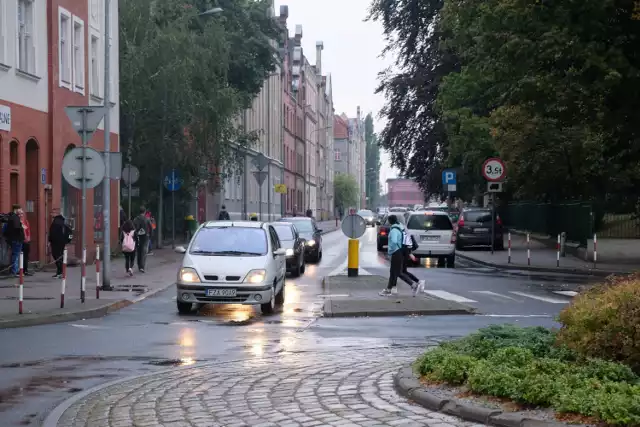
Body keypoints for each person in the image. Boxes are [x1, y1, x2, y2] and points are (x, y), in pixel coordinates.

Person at [379, 215, 421, 297]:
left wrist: (389, 247)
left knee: (398, 272)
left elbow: (394, 241)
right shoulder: (400, 227)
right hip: (400, 252)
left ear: (390, 221)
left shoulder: (394, 230)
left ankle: (413, 285)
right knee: (392, 272)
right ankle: (388, 290)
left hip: (396, 252)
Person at [49, 209, 72, 279]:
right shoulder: (62, 221)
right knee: (59, 256)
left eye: (52, 213)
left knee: (57, 256)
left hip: (56, 242)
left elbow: (53, 233)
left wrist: (50, 241)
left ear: (56, 213)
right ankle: (60, 272)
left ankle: (60, 272)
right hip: (61, 242)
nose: (51, 214)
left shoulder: (56, 222)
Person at [4, 204, 24, 276]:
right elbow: (16, 228)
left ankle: (15, 270)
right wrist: (21, 228)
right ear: (16, 209)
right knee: (16, 255)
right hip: (17, 239)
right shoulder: (15, 218)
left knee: (15, 254)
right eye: (20, 209)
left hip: (14, 239)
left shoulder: (11, 217)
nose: (21, 211)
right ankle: (14, 271)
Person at [133, 206, 152, 273]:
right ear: (144, 211)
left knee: (139, 251)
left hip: (138, 237)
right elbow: (151, 228)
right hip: (145, 237)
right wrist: (150, 235)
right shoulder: (147, 219)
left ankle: (139, 266)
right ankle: (142, 267)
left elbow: (133, 228)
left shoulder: (136, 219)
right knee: (144, 252)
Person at [17, 209, 33, 276]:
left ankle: (25, 270)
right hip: (20, 241)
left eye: (22, 213)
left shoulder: (25, 221)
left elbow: (28, 230)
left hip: (26, 241)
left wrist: (28, 237)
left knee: (26, 256)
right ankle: (21, 270)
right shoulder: (17, 222)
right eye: (19, 214)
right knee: (20, 256)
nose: (21, 215)